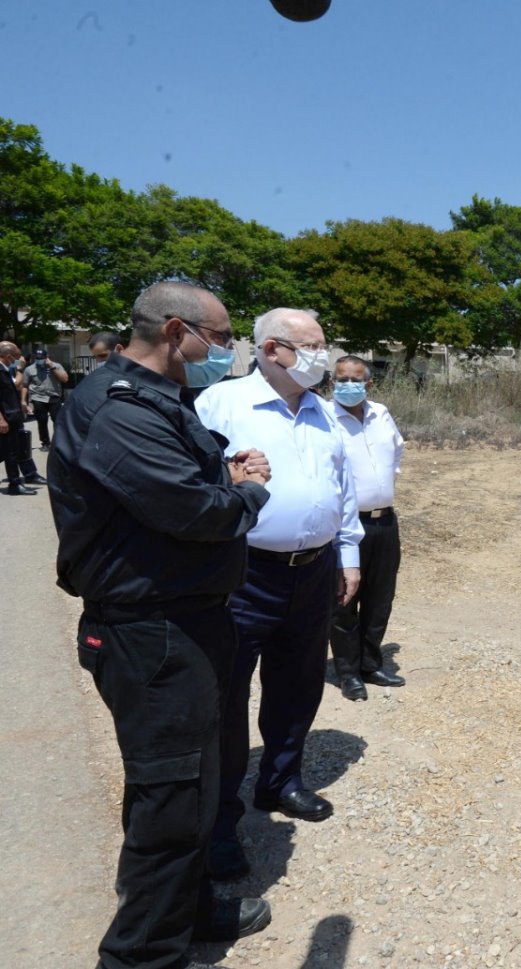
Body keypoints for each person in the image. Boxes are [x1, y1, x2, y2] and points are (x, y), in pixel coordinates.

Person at [46, 281, 274, 969]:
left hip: (188, 624)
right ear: (178, 331)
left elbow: (182, 481)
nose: (227, 350)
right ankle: (143, 953)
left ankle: (190, 905)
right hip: (152, 633)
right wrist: (246, 492)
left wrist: (221, 473)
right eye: (223, 336)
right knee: (170, 799)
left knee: (195, 788)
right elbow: (194, 512)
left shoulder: (156, 398)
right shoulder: (115, 407)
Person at [195, 307, 362, 880]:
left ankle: (281, 780)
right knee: (224, 696)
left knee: (298, 684)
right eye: (311, 346)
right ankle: (217, 822)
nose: (324, 355)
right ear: (271, 350)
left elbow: (341, 490)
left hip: (313, 570)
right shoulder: (221, 404)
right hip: (242, 572)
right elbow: (192, 483)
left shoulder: (324, 412)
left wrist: (349, 553)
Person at [328, 354, 407, 701]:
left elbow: (397, 450)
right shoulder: (325, 417)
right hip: (346, 525)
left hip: (385, 520)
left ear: (368, 383)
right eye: (341, 379)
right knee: (345, 599)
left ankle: (371, 664)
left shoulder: (381, 413)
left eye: (354, 379)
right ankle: (348, 673)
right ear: (332, 381)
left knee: (380, 597)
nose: (347, 385)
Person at [0, 342, 38, 494]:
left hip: (13, 416)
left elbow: (12, 390)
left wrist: (21, 404)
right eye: (15, 357)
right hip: (6, 418)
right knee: (11, 453)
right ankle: (14, 484)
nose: (18, 359)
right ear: (8, 356)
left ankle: (16, 482)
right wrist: (1, 420)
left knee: (11, 452)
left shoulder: (6, 370)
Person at [23, 346, 69, 449]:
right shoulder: (29, 369)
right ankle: (45, 443)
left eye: (41, 358)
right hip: (38, 397)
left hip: (54, 396)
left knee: (57, 420)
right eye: (37, 358)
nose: (39, 360)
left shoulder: (57, 366)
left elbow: (65, 379)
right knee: (42, 420)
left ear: (46, 357)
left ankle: (57, 441)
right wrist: (23, 401)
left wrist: (52, 367)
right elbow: (25, 385)